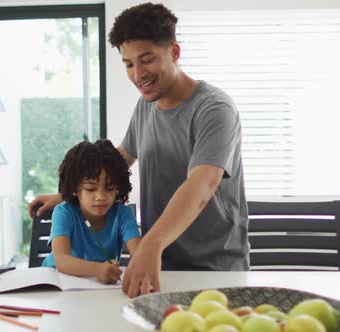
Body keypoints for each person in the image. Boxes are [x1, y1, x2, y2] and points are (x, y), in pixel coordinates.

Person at [30, 2, 249, 297]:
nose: (137, 74)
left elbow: (203, 183)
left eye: (147, 59)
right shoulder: (146, 107)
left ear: (174, 52)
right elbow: (119, 160)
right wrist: (68, 192)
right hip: (164, 264)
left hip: (214, 269)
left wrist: (151, 244)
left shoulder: (214, 109)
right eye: (129, 64)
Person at [40, 139, 141, 285]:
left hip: (96, 288)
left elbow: (139, 255)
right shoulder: (64, 212)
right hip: (56, 283)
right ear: (75, 188)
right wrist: (98, 269)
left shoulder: (123, 214)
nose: (101, 196)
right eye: (91, 189)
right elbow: (61, 261)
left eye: (110, 188)